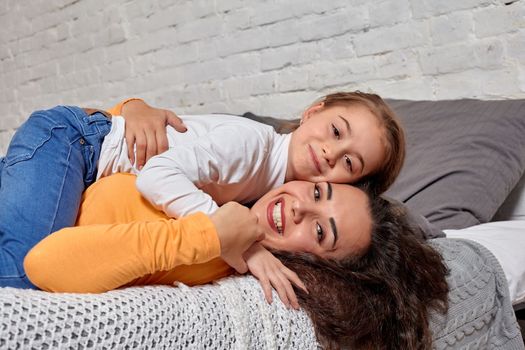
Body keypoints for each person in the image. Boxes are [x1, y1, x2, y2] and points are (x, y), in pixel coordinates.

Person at [0, 92, 405, 292]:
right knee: (18, 273)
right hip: (75, 143)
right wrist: (239, 242)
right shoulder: (251, 148)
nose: (330, 153)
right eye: (335, 132)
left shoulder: (268, 190)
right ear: (313, 110)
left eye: (349, 164)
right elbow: (156, 174)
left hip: (85, 156)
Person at [24, 173, 448, 349]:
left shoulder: (209, 260)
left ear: (322, 267)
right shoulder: (239, 177)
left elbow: (43, 264)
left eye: (320, 232)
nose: (302, 209)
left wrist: (211, 235)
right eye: (318, 193)